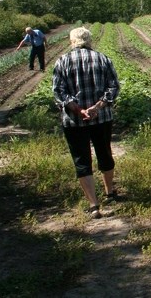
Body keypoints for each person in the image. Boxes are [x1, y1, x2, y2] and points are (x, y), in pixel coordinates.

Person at [52, 27, 121, 219]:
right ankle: (109, 193)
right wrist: (97, 107)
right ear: (89, 40)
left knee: (82, 159)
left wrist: (78, 109)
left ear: (72, 41)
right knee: (104, 153)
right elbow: (114, 87)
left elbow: (59, 91)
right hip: (102, 118)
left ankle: (93, 205)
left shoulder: (62, 61)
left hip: (74, 121)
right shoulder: (103, 59)